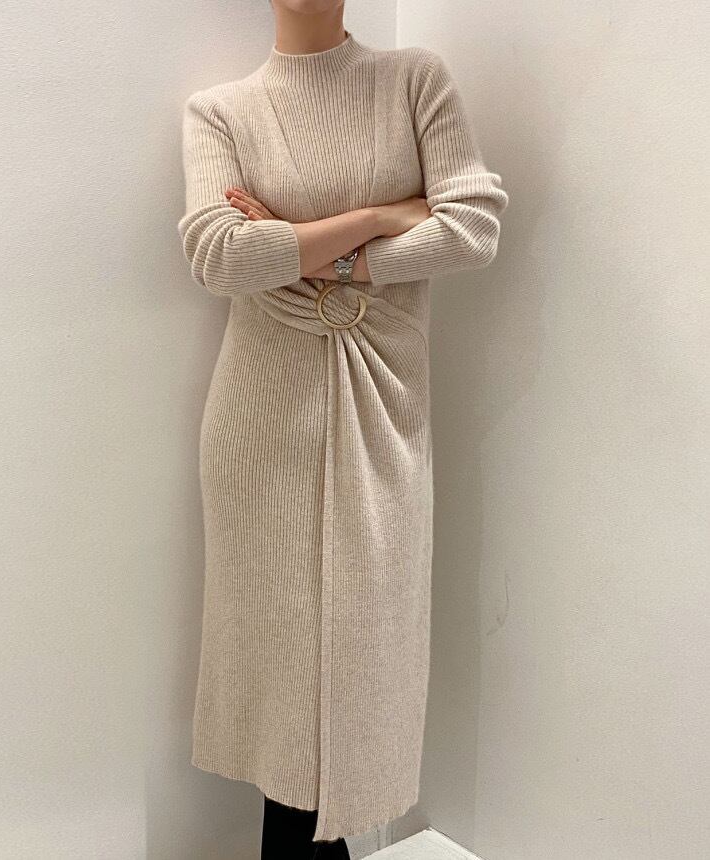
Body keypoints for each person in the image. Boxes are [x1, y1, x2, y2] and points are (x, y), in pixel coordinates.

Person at [176, 2, 508, 857]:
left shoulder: (414, 79)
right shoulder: (220, 111)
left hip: (385, 407)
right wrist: (381, 218)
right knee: (283, 663)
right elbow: (219, 257)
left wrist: (297, 248)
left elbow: (472, 228)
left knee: (363, 650)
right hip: (262, 420)